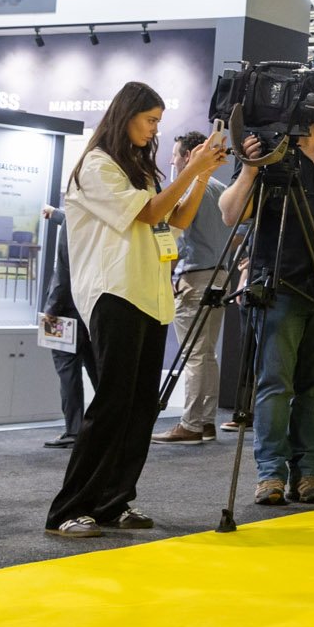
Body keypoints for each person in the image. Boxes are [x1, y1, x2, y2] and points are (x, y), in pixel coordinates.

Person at [44, 84, 227, 539]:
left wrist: (200, 174)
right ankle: (69, 508)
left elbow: (175, 220)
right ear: (125, 116)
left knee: (141, 406)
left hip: (149, 294)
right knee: (111, 404)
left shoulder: (138, 169)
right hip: (114, 293)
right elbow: (148, 215)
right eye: (149, 120)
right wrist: (191, 169)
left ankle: (113, 500)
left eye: (158, 122)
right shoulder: (96, 166)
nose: (154, 129)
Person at [219, 101, 314, 509]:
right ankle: (270, 474)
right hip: (279, 287)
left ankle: (306, 473)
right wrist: (251, 166)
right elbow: (232, 213)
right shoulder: (270, 150)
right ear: (306, 104)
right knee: (275, 384)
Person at [153, 129, 235, 444]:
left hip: (195, 277)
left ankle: (190, 424)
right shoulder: (221, 189)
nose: (172, 161)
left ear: (189, 156)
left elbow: (173, 236)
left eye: (175, 156)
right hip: (220, 275)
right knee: (206, 353)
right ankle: (206, 421)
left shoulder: (188, 191)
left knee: (193, 353)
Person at [40, 203, 88, 448]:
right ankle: (104, 429)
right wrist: (58, 215)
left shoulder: (73, 217)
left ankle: (74, 430)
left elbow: (64, 269)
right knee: (96, 369)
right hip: (90, 307)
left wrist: (51, 309)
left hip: (64, 310)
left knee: (67, 370)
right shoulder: (94, 216)